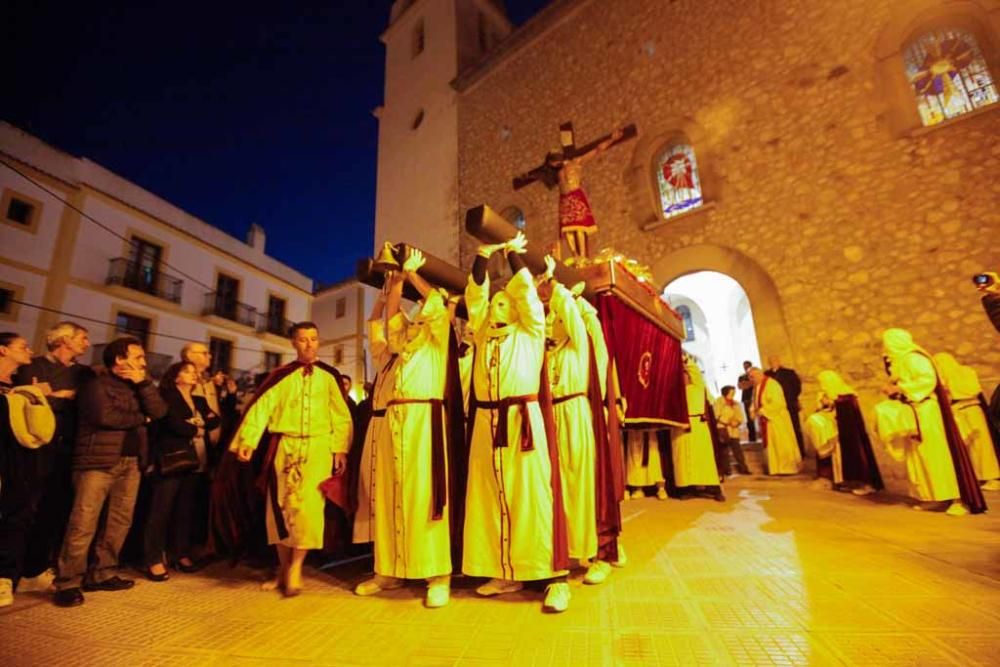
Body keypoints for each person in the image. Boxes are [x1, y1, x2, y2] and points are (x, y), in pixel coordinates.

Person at [463, 232, 571, 613]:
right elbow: (474, 298)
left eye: (503, 301)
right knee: (492, 499)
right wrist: (481, 255)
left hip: (522, 422)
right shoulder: (481, 336)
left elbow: (527, 296)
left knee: (532, 498)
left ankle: (554, 577)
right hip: (486, 422)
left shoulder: (530, 333)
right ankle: (506, 571)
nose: (496, 306)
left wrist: (511, 254)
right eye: (495, 302)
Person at [354, 249, 466, 608]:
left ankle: (437, 575)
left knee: (425, 496)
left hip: (424, 422)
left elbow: (435, 301)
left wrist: (415, 274)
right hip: (395, 423)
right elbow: (388, 320)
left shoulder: (437, 341)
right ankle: (388, 570)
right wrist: (396, 282)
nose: (414, 318)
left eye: (420, 314)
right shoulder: (403, 347)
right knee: (390, 495)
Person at [230, 322, 353, 596]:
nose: (309, 344)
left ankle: (296, 567)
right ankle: (282, 568)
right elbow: (261, 408)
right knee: (280, 509)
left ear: (319, 342)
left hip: (318, 448)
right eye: (302, 339)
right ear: (293, 343)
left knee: (308, 511)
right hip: (285, 447)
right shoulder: (281, 376)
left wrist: (339, 449)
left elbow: (341, 416)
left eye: (313, 339)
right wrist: (248, 440)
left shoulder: (329, 377)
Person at [53, 336, 168, 607]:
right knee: (83, 522)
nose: (144, 362)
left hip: (131, 463)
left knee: (119, 522)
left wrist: (143, 383)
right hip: (97, 462)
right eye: (138, 357)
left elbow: (160, 411)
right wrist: (142, 419)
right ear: (119, 359)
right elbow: (105, 417)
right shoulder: (95, 384)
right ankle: (68, 582)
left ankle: (103, 573)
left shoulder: (139, 387)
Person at [540, 259, 616, 585]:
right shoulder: (548, 354)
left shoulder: (579, 345)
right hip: (550, 417)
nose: (551, 325)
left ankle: (596, 554)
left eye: (555, 319)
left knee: (581, 484)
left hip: (575, 413)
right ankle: (567, 549)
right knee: (555, 489)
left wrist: (555, 284)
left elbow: (574, 316)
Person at [12, 322, 95, 593]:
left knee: (55, 511)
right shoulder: (30, 367)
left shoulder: (84, 374)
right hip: (33, 450)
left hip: (68, 451)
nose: (87, 344)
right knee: (23, 509)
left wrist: (50, 396)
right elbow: (25, 403)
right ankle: (12, 571)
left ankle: (36, 569)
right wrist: (59, 397)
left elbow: (87, 406)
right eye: (82, 338)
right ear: (64, 341)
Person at [874, 329, 985, 515]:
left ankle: (958, 498)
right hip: (916, 410)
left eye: (886, 343)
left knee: (939, 455)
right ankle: (934, 496)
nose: (885, 349)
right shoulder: (901, 361)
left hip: (928, 412)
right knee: (922, 457)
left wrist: (899, 388)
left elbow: (928, 380)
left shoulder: (914, 358)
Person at [142, 362, 220, 581]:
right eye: (187, 371)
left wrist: (196, 424)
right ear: (175, 376)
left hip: (197, 460)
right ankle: (153, 558)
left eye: (194, 372)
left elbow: (216, 420)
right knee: (161, 509)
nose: (193, 374)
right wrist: (196, 426)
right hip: (172, 459)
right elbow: (170, 423)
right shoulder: (166, 395)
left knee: (185, 510)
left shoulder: (199, 400)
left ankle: (180, 553)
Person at [0, 332, 48, 607]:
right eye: (22, 346)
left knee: (18, 516)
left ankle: (6, 576)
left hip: (23, 460)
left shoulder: (22, 384)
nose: (29, 350)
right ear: (3, 350)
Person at [546, 129, 623, 260]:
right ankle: (575, 256)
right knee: (567, 229)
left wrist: (612, 139)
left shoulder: (576, 162)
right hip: (564, 199)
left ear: (557, 158)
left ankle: (582, 255)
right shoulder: (557, 172)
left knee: (580, 227)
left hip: (575, 194)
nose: (553, 166)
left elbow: (597, 150)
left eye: (552, 163)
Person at [805, 371, 884, 494]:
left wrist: (832, 405)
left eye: (823, 383)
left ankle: (862, 483)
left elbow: (847, 416)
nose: (822, 386)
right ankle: (843, 481)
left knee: (856, 457)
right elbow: (829, 410)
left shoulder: (847, 396)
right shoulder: (831, 395)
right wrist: (824, 405)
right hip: (838, 432)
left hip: (849, 434)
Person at [933, 353, 1000, 491]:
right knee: (969, 449)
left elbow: (973, 390)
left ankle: (993, 477)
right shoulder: (942, 378)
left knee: (982, 446)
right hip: (958, 412)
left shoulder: (966, 372)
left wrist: (952, 389)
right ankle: (979, 477)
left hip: (971, 409)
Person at [672, 359, 724, 501]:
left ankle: (713, 488)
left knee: (703, 458)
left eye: (685, 374)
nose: (684, 377)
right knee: (682, 459)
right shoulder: (675, 392)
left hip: (697, 425)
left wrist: (685, 361)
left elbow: (695, 372)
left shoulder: (697, 386)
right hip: (680, 426)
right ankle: (686, 488)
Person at [749, 366, 802, 475]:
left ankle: (787, 468)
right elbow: (754, 402)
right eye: (750, 377)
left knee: (781, 443)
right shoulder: (757, 387)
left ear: (759, 374)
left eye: (752, 377)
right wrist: (753, 411)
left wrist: (763, 411)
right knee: (772, 446)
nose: (751, 380)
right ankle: (775, 468)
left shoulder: (772, 384)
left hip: (777, 420)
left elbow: (778, 403)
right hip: (767, 421)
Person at [765, 356, 804, 456]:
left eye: (774, 360)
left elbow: (797, 387)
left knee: (795, 428)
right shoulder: (767, 375)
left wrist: (791, 398)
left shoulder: (789, 373)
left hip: (790, 404)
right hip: (775, 408)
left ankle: (800, 451)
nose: (773, 362)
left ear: (779, 361)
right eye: (771, 361)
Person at [714, 386, 750, 476]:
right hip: (723, 429)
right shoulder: (719, 402)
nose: (733, 394)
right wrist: (728, 422)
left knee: (738, 450)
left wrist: (737, 422)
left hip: (734, 430)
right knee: (724, 451)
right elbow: (716, 415)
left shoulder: (736, 403)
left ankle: (743, 468)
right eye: (731, 392)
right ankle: (726, 470)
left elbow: (740, 416)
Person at [737, 361, 757, 442]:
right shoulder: (742, 376)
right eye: (744, 366)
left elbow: (754, 383)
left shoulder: (754, 374)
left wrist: (747, 383)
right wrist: (748, 384)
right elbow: (740, 386)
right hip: (746, 399)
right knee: (749, 419)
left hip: (754, 397)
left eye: (747, 366)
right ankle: (752, 437)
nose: (745, 368)